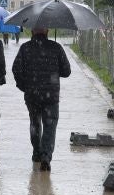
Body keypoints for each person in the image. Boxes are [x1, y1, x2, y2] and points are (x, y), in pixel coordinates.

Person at [11, 26, 71, 171]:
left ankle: (37, 152)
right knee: (50, 124)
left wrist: (24, 86)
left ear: (32, 32)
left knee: (35, 123)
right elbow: (66, 71)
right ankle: (46, 156)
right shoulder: (56, 47)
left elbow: (16, 69)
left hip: (32, 94)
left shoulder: (25, 48)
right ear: (47, 32)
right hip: (51, 95)